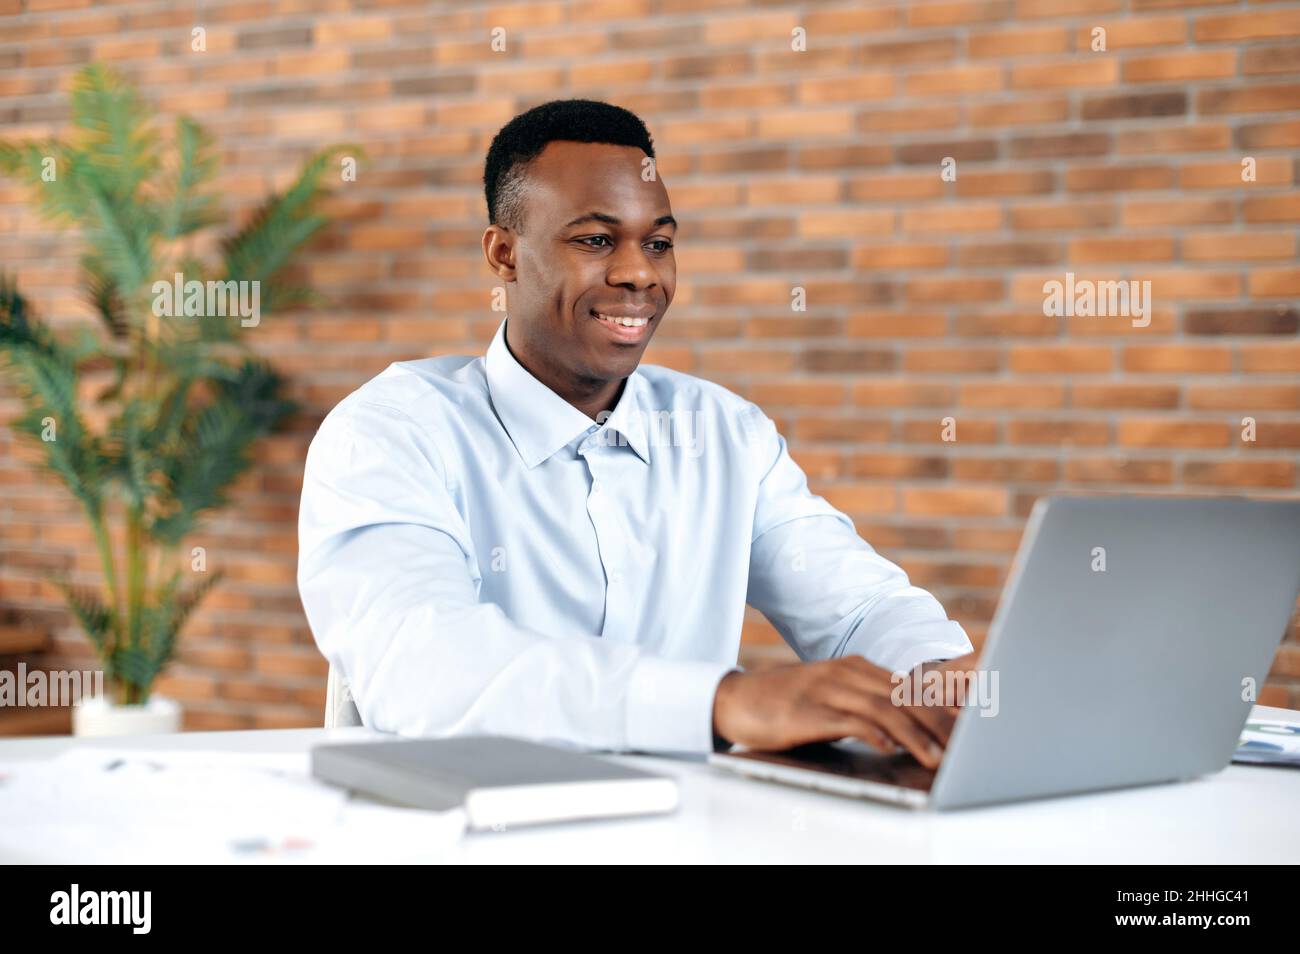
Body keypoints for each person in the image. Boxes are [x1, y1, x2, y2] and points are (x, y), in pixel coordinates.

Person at [297, 99, 976, 768]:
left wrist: (939, 681)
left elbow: (859, 610)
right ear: (504, 255)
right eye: (595, 241)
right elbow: (425, 665)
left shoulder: (725, 434)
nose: (639, 273)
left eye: (659, 243)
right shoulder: (391, 433)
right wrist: (717, 703)